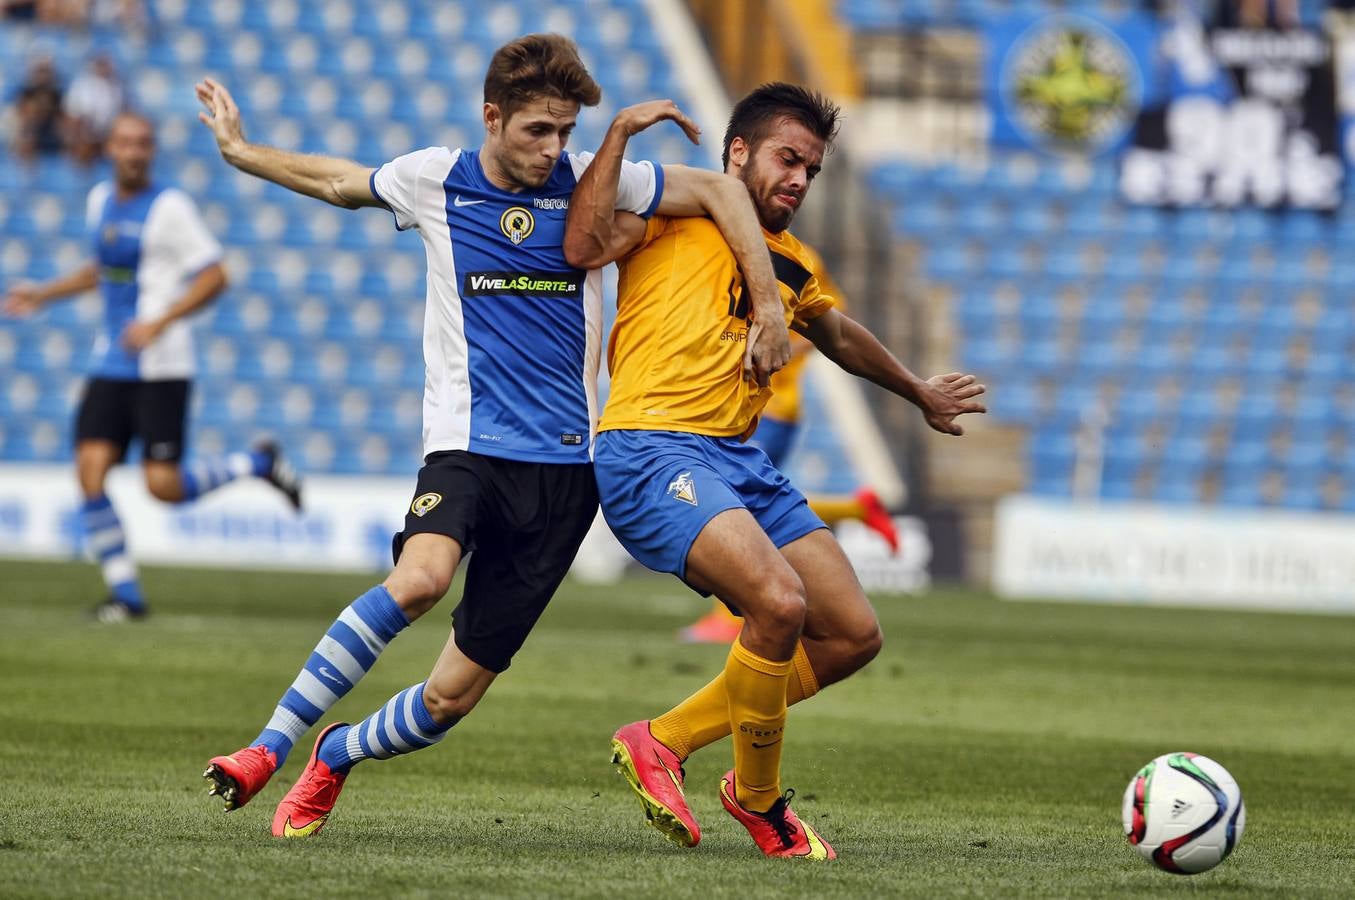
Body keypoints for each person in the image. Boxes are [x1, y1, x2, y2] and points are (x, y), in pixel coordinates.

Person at [192, 33, 791, 839]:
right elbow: (337, 181)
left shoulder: (592, 182)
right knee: (419, 580)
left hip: (565, 475)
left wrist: (770, 305)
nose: (552, 150)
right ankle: (266, 747)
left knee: (446, 701)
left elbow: (723, 191)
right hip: (468, 449)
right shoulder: (435, 179)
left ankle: (336, 755)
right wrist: (239, 152)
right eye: (536, 131)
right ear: (492, 116)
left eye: (565, 133)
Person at [563, 82, 987, 859]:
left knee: (852, 634)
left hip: (737, 459)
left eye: (811, 170)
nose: (798, 178)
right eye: (787, 158)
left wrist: (918, 389)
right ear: (737, 154)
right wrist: (620, 134)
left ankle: (661, 740)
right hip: (651, 445)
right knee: (778, 603)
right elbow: (583, 245)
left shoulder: (794, 262)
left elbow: (838, 333)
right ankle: (758, 802)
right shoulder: (672, 213)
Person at [1, 111, 303, 623]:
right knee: (89, 470)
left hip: (162, 365)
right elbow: (106, 269)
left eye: (143, 143)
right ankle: (126, 596)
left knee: (161, 487)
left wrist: (161, 321)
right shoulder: (100, 201)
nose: (134, 151)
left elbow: (215, 276)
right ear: (110, 147)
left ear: (152, 150)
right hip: (112, 360)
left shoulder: (170, 209)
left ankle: (257, 463)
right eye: (125, 142)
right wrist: (44, 294)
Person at [679, 250, 901, 644]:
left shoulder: (795, 256)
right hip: (741, 403)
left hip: (773, 404)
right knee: (746, 502)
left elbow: (832, 316)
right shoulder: (719, 245)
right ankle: (855, 507)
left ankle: (729, 617)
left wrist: (782, 344)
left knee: (733, 503)